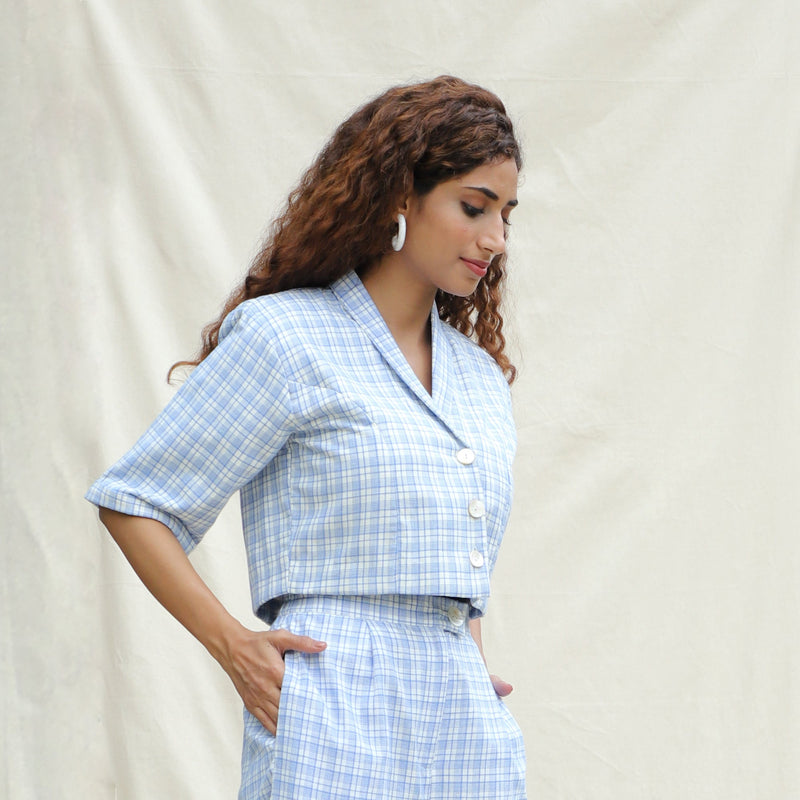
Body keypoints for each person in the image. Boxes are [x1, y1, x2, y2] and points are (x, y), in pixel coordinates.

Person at [87, 75, 526, 799]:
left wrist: (470, 665)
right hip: (334, 699)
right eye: (473, 207)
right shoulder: (287, 336)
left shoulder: (478, 376)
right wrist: (234, 647)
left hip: (462, 724)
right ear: (398, 197)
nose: (494, 238)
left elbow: (458, 566)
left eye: (507, 214)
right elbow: (135, 501)